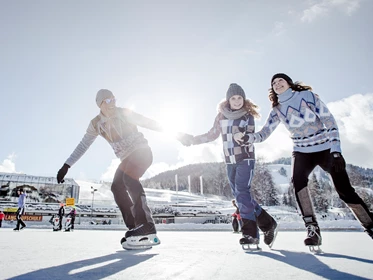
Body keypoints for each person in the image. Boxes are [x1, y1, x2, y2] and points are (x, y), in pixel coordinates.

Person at [234, 73, 373, 249]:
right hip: (301, 151)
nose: (277, 84)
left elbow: (329, 121)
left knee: (344, 190)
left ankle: (370, 225)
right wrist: (247, 138)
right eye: (274, 83)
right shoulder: (277, 109)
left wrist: (336, 151)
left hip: (325, 148)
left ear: (289, 83)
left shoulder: (307, 96)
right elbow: (264, 134)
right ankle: (312, 230)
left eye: (280, 81)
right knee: (298, 184)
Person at [56, 89, 189, 249]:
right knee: (116, 186)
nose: (113, 104)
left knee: (129, 178)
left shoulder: (124, 113)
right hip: (127, 159)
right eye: (109, 101)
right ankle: (135, 227)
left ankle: (147, 225)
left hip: (142, 151)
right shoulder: (96, 124)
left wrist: (178, 134)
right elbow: (84, 145)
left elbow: (149, 122)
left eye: (114, 99)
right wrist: (66, 165)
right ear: (101, 104)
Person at [181, 83, 278, 249]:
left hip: (246, 158)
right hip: (229, 161)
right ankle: (268, 224)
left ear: (244, 99)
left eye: (240, 98)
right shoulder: (221, 116)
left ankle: (250, 234)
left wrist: (244, 136)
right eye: (233, 98)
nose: (237, 101)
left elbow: (250, 134)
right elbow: (212, 134)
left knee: (242, 193)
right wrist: (192, 140)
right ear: (228, 100)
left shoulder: (247, 115)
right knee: (241, 198)